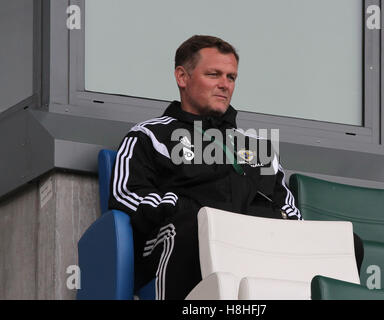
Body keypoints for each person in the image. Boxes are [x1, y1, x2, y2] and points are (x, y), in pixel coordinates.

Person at [109, 35, 364, 300]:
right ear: (182, 77)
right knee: (189, 228)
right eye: (214, 74)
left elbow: (289, 210)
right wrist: (182, 207)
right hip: (186, 236)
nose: (224, 85)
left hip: (252, 243)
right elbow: (125, 195)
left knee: (346, 245)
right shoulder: (150, 135)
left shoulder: (258, 147)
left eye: (231, 77)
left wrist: (266, 225)